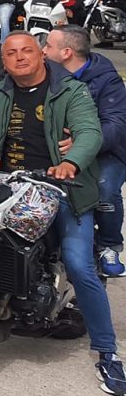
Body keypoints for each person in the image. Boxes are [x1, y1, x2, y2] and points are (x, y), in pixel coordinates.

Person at [0, 33, 125, 393]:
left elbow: (89, 131)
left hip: (62, 188)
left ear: (42, 56)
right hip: (8, 181)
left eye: (27, 50)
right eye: (11, 53)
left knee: (79, 264)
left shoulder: (70, 91)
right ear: (4, 60)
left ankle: (108, 354)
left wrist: (71, 163)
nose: (19, 58)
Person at [44, 25, 126, 278]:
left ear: (67, 52)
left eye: (48, 46)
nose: (42, 51)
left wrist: (83, 143)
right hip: (57, 148)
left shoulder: (107, 80)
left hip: (107, 151)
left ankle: (109, 244)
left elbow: (116, 124)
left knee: (105, 189)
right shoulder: (45, 74)